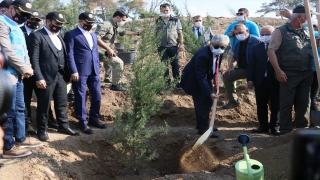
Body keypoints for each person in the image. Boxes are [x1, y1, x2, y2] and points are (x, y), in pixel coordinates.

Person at [27, 12, 80, 141]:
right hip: (45, 77)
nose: (59, 25)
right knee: (44, 105)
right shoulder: (37, 36)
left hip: (61, 76)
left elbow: (64, 56)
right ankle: (42, 129)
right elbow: (34, 59)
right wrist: (38, 77)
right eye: (57, 23)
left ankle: (63, 125)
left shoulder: (60, 37)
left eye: (61, 24)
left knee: (62, 103)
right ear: (48, 22)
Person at [0, 0, 43, 158]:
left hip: (18, 75)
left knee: (20, 108)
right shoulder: (2, 23)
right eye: (22, 14)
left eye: (27, 15)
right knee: (8, 112)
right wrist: (24, 68)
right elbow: (7, 50)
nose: (25, 17)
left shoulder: (17, 27)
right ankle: (8, 147)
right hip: (6, 75)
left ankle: (20, 138)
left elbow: (23, 52)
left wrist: (28, 67)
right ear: (11, 9)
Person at [268, 5, 313, 134]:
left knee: (305, 103)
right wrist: (278, 71)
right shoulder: (281, 31)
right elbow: (271, 51)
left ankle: (301, 128)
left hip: (306, 72)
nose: (308, 21)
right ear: (299, 17)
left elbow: (308, 47)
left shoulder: (304, 31)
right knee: (286, 103)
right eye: (306, 18)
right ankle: (286, 130)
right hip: (289, 73)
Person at [64, 12, 106, 134]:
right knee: (80, 96)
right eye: (87, 23)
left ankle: (94, 118)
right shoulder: (71, 34)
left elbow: (95, 51)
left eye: (91, 23)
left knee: (97, 95)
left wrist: (98, 66)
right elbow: (69, 54)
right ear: (80, 21)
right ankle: (82, 122)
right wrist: (73, 70)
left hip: (94, 70)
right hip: (80, 71)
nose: (89, 25)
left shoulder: (93, 35)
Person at [180, 34, 229, 138]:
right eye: (216, 46)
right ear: (210, 44)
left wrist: (217, 69)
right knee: (201, 102)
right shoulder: (203, 55)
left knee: (208, 102)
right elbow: (200, 76)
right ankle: (203, 128)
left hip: (204, 78)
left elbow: (215, 63)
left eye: (222, 47)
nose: (219, 49)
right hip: (193, 80)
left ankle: (204, 124)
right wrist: (210, 92)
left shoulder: (219, 53)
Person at [21, 10, 58, 135]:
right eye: (32, 19)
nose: (35, 22)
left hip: (41, 73)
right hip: (24, 73)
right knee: (25, 100)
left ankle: (48, 121)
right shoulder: (20, 32)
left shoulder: (44, 34)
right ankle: (27, 124)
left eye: (37, 20)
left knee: (44, 99)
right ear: (27, 19)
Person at [247, 25, 280, 135]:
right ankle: (263, 126)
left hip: (275, 80)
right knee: (261, 104)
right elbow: (251, 65)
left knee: (276, 105)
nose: (265, 36)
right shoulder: (256, 47)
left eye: (268, 34)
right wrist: (250, 79)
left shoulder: (279, 46)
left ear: (273, 34)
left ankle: (275, 126)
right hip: (260, 81)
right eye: (263, 34)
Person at [96, 9, 140, 91]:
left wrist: (137, 33)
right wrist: (108, 48)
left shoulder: (115, 26)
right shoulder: (106, 24)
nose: (124, 22)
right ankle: (115, 85)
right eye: (123, 20)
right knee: (118, 62)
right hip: (97, 51)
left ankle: (109, 82)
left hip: (104, 51)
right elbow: (96, 38)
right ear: (117, 17)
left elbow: (124, 32)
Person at [222, 24, 260, 109]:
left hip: (256, 71)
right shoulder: (238, 44)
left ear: (246, 31)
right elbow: (235, 57)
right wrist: (230, 68)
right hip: (244, 69)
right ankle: (233, 101)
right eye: (236, 34)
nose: (238, 35)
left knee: (262, 90)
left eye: (241, 32)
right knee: (227, 76)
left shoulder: (257, 41)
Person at [155, 3, 184, 89]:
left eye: (166, 10)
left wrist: (181, 44)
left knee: (175, 65)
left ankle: (176, 83)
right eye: (163, 11)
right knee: (164, 66)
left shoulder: (176, 20)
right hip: (162, 47)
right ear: (160, 11)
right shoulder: (157, 21)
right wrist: (154, 45)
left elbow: (180, 33)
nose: (165, 12)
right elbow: (154, 34)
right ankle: (167, 83)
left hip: (173, 46)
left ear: (170, 10)